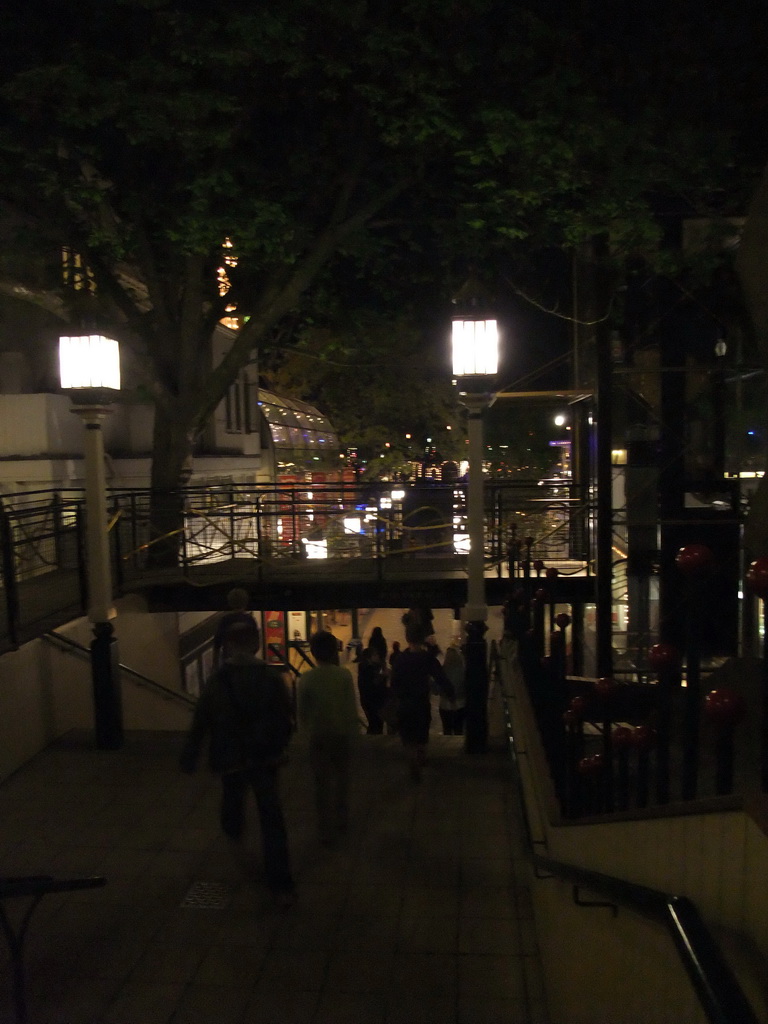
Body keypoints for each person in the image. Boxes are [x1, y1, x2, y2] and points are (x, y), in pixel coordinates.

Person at [179, 621, 296, 908]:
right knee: (271, 816)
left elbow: (201, 720)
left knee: (232, 799)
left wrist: (191, 755)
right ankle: (280, 884)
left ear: (229, 646)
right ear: (256, 644)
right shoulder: (271, 677)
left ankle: (236, 838)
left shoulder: (218, 681)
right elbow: (285, 719)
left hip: (230, 757)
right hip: (264, 756)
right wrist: (279, 746)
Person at [297, 630, 359, 847]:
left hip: (318, 737)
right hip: (341, 734)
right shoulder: (343, 676)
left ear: (313, 653)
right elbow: (351, 708)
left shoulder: (306, 679)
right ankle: (342, 819)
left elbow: (302, 713)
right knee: (342, 780)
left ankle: (325, 829)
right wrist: (355, 734)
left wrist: (305, 734)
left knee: (322, 785)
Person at [390, 623, 454, 781]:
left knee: (408, 737)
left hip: (405, 703)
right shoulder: (427, 658)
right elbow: (440, 676)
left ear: (407, 638)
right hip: (421, 703)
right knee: (421, 734)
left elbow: (394, 683)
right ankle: (421, 758)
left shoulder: (400, 659)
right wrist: (450, 692)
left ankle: (413, 764)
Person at [212, 587, 259, 665]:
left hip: (229, 661)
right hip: (248, 661)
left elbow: (217, 644)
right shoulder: (250, 619)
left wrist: (215, 665)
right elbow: (256, 643)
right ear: (246, 602)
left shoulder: (225, 620)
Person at [356, 645, 388, 734]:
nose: (378, 656)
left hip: (370, 701)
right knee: (376, 724)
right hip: (372, 702)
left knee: (375, 724)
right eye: (375, 655)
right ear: (370, 658)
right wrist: (384, 677)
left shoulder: (372, 667)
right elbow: (373, 685)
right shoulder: (368, 670)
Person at [439, 645, 467, 735]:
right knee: (459, 729)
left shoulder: (442, 671)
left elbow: (436, 689)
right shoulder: (463, 671)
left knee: (447, 730)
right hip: (460, 704)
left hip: (444, 705)